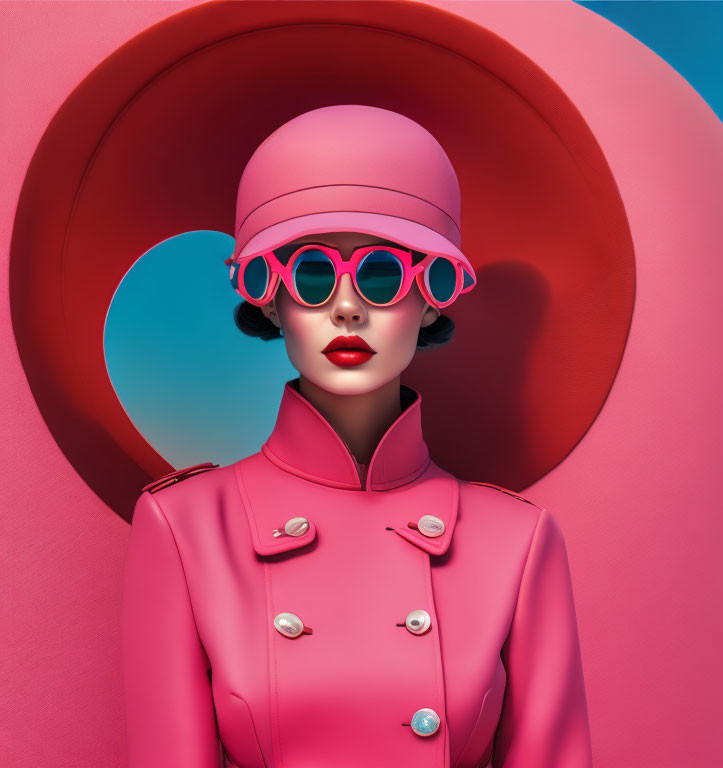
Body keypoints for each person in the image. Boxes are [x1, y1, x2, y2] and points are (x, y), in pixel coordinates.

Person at [121, 104, 593, 768]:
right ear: (267, 295)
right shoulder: (185, 528)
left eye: (380, 274)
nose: (347, 306)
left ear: (432, 295)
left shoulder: (517, 541)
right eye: (312, 275)